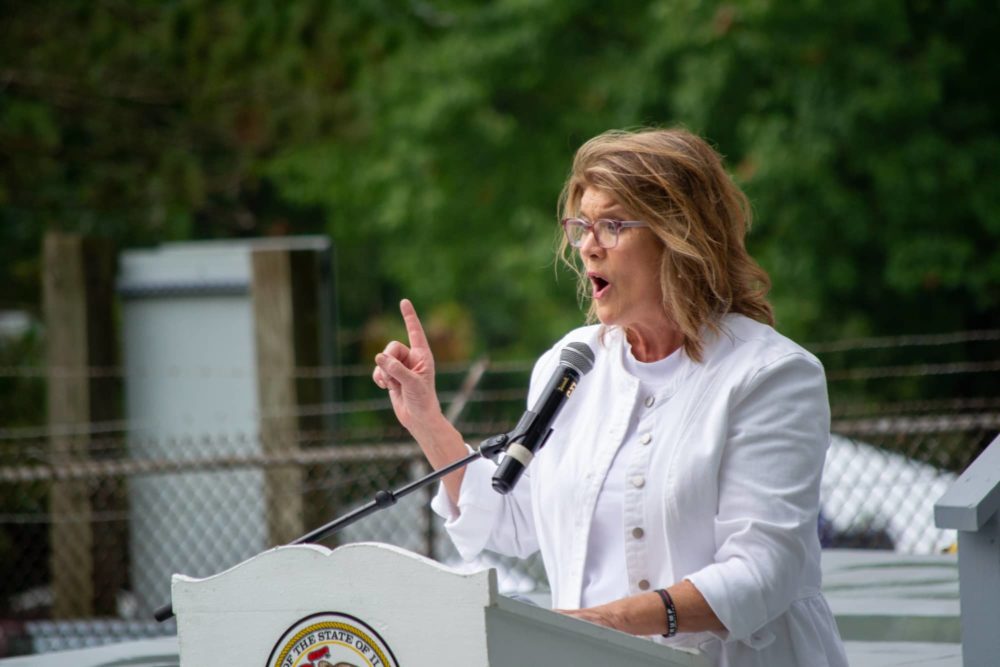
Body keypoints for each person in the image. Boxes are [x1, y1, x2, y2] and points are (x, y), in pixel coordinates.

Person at [372, 128, 848, 666]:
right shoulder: (571, 361)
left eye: (614, 226)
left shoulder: (772, 374)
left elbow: (763, 570)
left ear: (681, 235)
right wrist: (428, 421)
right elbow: (511, 521)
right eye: (581, 226)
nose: (589, 246)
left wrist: (605, 622)